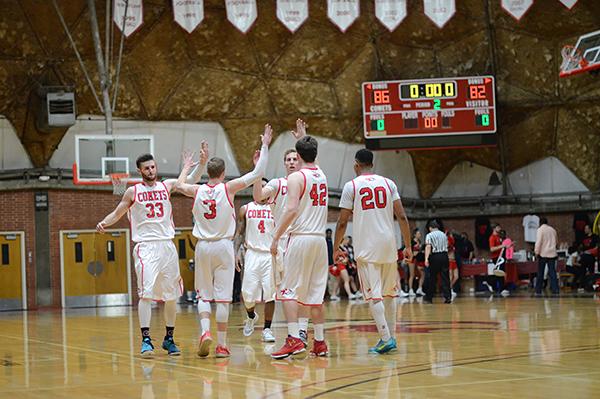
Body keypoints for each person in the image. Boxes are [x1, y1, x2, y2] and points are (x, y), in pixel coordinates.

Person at [96, 142, 208, 357]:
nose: (151, 171)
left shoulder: (166, 186)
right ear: (140, 171)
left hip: (167, 246)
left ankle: (169, 338)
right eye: (147, 168)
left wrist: (200, 164)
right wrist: (104, 222)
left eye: (153, 167)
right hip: (145, 247)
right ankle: (146, 339)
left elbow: (190, 182)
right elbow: (118, 213)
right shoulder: (132, 191)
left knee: (171, 295)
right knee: (146, 294)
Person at [175, 125, 272, 358]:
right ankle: (221, 345)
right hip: (224, 247)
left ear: (208, 172)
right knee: (223, 299)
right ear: (224, 171)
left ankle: (205, 332)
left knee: (203, 296)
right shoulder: (228, 188)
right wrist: (265, 146)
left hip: (203, 247)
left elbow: (179, 185)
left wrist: (190, 166)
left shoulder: (196, 191)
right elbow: (257, 174)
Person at [333, 149, 412, 354]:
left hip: (367, 247)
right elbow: (402, 217)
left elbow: (342, 222)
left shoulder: (352, 186)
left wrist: (335, 248)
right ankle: (390, 336)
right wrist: (409, 246)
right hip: (388, 245)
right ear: (372, 164)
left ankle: (386, 339)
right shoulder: (389, 183)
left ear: (356, 165)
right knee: (389, 293)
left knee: (373, 295)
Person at [270, 135, 329, 359]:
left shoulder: (296, 178)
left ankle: (294, 338)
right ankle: (320, 342)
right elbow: (311, 156)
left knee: (287, 291)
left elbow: (292, 210)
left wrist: (276, 236)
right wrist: (304, 134)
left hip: (301, 237)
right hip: (320, 241)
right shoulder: (321, 175)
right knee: (315, 295)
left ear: (299, 155)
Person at [252, 120, 311, 344]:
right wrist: (258, 171)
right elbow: (258, 197)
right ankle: (280, 329)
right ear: (284, 164)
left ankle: (301, 330)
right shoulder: (277, 183)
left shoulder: (307, 179)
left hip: (301, 238)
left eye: (295, 158)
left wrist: (303, 138)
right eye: (288, 159)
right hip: (281, 242)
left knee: (302, 287)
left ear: (300, 160)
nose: (292, 162)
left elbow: (315, 165)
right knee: (280, 290)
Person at [234, 178, 276, 343]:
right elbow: (239, 232)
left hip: (269, 255)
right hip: (251, 253)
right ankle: (251, 316)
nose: (263, 190)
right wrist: (236, 252)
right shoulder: (245, 209)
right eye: (260, 187)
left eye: (266, 187)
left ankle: (267, 329)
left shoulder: (275, 208)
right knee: (247, 294)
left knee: (270, 294)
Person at [424, 220, 451, 304]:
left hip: (435, 256)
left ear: (430, 228)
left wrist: (426, 258)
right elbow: (447, 245)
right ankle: (448, 297)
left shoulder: (429, 235)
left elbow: (428, 247)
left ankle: (429, 297)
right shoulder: (443, 234)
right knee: (445, 277)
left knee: (432, 277)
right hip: (444, 255)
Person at [534, 217, 559, 296]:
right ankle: (555, 289)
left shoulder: (540, 230)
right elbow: (556, 241)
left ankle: (538, 290)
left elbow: (539, 242)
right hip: (552, 253)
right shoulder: (553, 230)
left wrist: (536, 252)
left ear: (540, 223)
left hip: (543, 254)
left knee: (540, 272)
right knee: (552, 272)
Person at [408, 229, 426, 296]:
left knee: (422, 274)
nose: (420, 235)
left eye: (420, 234)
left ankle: (419, 289)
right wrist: (419, 251)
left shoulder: (420, 241)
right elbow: (413, 253)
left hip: (418, 260)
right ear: (415, 234)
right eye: (418, 233)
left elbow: (418, 252)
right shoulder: (412, 242)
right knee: (412, 275)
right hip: (412, 260)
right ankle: (410, 290)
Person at [447, 231, 458, 299]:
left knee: (456, 276)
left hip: (454, 261)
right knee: (450, 277)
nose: (452, 236)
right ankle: (449, 290)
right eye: (451, 235)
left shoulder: (453, 243)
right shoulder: (447, 243)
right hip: (449, 261)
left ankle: (450, 288)